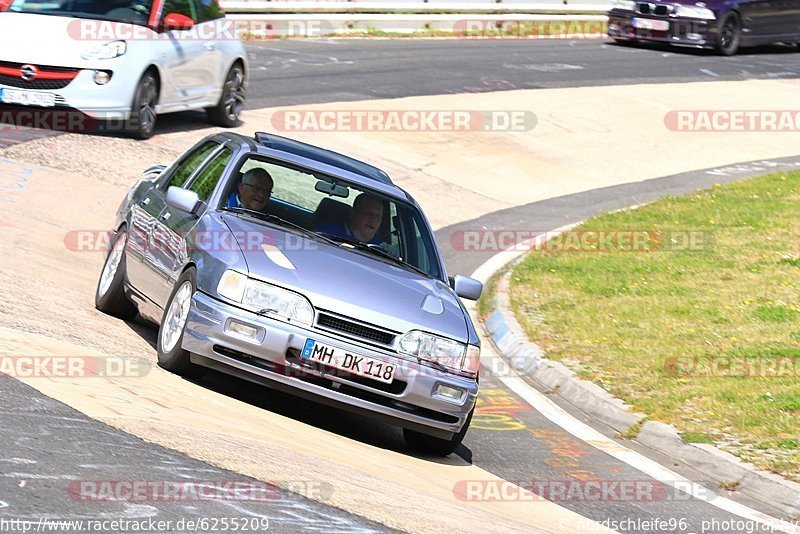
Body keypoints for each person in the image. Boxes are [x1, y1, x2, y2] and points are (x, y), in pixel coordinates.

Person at [316, 193, 384, 244]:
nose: (374, 219)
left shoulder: (382, 248)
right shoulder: (328, 232)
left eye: (378, 216)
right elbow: (310, 247)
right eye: (369, 213)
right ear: (353, 213)